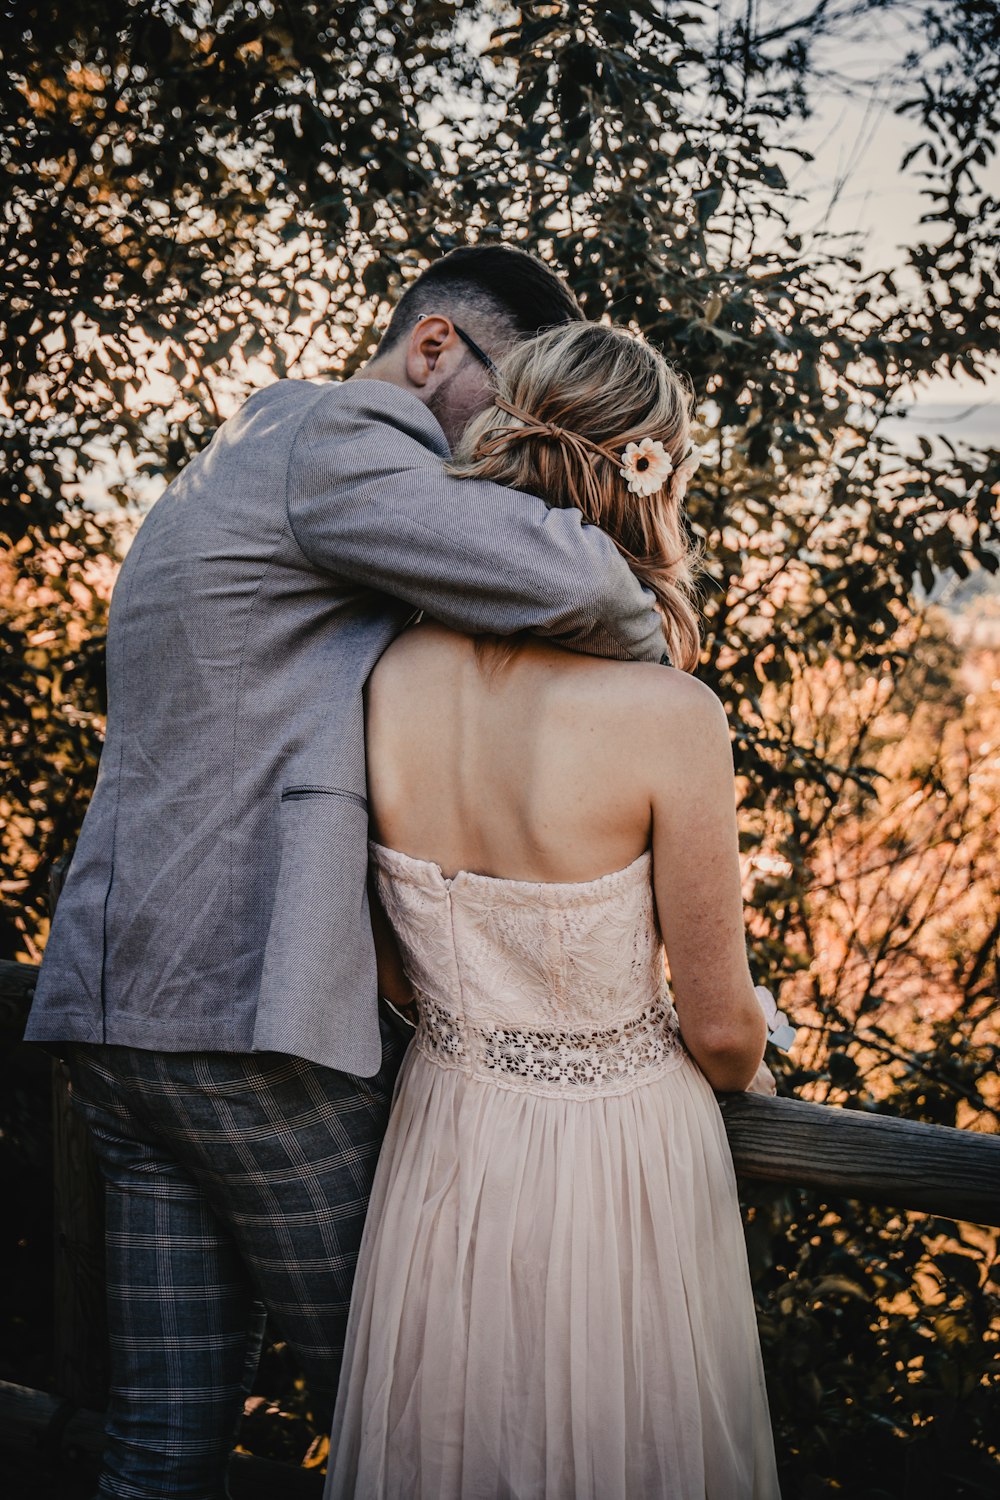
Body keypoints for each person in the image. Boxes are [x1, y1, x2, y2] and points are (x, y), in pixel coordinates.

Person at [23, 245, 672, 1500]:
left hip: (124, 1019)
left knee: (161, 1447)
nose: (512, 436)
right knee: (421, 1433)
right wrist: (650, 658)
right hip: (245, 1029)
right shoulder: (348, 437)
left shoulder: (250, 450)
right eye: (509, 391)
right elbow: (570, 575)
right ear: (434, 349)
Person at [326, 322, 782, 1499]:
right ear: (651, 473)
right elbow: (725, 1036)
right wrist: (754, 1055)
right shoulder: (667, 714)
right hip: (615, 1161)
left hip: (440, 1138)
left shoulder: (384, 672)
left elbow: (389, 968)